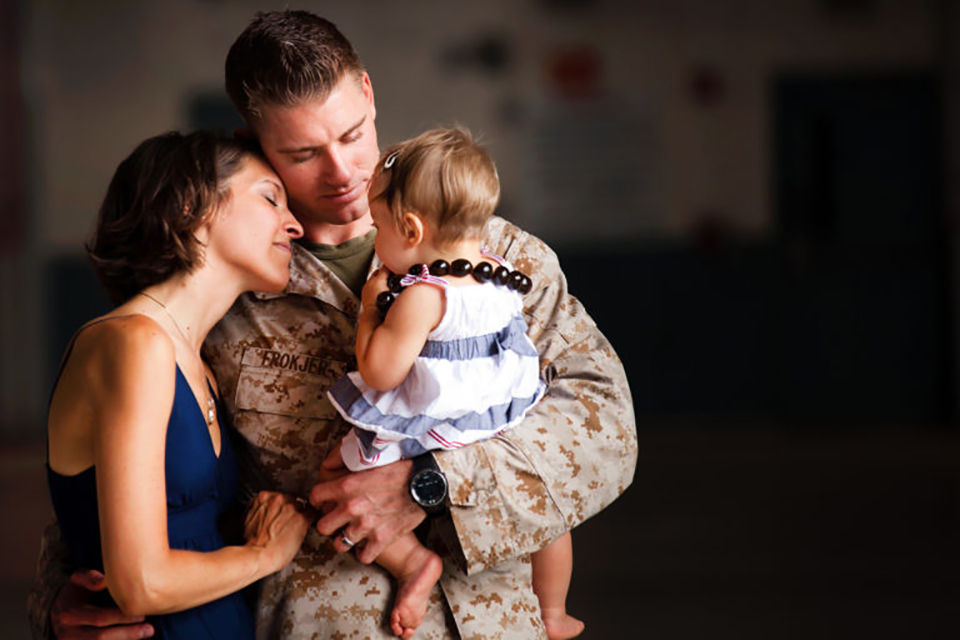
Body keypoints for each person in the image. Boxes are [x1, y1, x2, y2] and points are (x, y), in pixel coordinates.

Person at [30, 10, 638, 639]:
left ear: (369, 94)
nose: (343, 172)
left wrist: (431, 484)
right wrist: (60, 605)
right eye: (303, 153)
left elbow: (607, 428)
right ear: (256, 140)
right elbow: (131, 486)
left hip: (496, 623)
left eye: (352, 135)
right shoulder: (223, 295)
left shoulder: (501, 260)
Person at [42, 130, 312, 638]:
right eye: (270, 197)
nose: (294, 225)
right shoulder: (134, 342)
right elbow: (141, 583)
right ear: (193, 204)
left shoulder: (198, 363)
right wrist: (265, 554)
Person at [324, 127, 582, 640]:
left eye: (379, 228)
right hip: (501, 419)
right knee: (552, 521)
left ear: (411, 230)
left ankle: (414, 564)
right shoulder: (501, 272)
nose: (377, 240)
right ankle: (552, 612)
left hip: (443, 423)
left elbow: (381, 370)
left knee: (336, 478)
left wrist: (371, 308)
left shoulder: (424, 295)